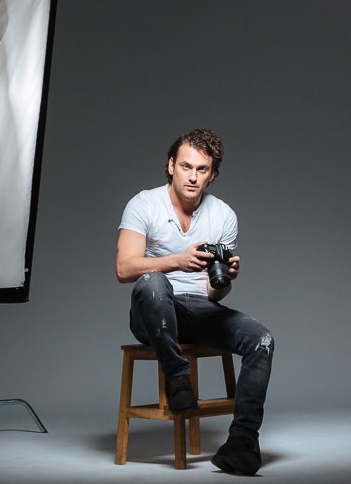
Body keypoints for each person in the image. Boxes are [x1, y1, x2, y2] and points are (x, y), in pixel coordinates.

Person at [115, 128, 273, 476]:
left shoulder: (224, 215)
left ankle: (241, 443)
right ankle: (178, 379)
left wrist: (225, 279)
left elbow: (213, 294)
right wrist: (176, 261)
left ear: (212, 174)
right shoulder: (143, 204)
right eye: (186, 166)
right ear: (171, 166)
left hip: (197, 308)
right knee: (154, 282)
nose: (193, 176)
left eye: (202, 170)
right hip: (152, 310)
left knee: (261, 340)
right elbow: (124, 268)